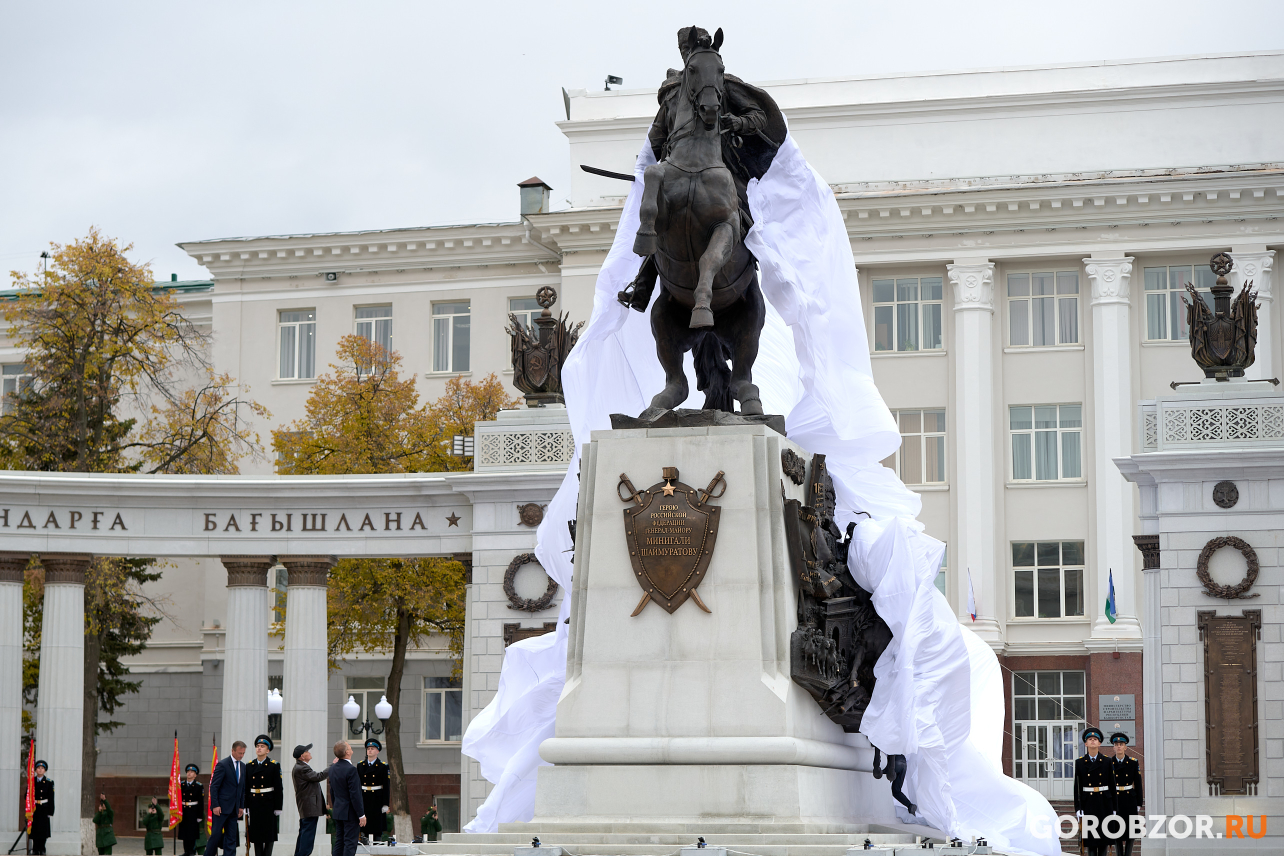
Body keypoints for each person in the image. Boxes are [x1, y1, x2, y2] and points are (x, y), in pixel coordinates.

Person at [1073, 727, 1117, 856]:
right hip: (1088, 804)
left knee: (1103, 841)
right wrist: (1078, 807)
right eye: (1090, 739)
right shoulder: (1080, 762)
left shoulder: (1107, 761)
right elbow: (1077, 787)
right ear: (1085, 744)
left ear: (1099, 743)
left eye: (1095, 739)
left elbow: (1112, 785)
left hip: (1104, 803)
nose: (1093, 741)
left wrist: (1114, 807)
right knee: (1091, 842)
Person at [205, 740, 248, 856]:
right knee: (216, 835)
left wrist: (241, 807)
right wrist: (215, 805)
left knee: (231, 836)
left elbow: (242, 788)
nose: (241, 755)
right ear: (232, 751)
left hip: (234, 809)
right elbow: (214, 786)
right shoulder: (223, 765)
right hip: (221, 808)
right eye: (240, 753)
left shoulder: (243, 767)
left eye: (243, 753)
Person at [246, 735, 283, 856]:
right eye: (257, 746)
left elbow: (278, 787)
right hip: (254, 803)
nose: (259, 748)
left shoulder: (273, 765)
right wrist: (245, 805)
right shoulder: (249, 766)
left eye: (262, 746)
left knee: (268, 834)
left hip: (268, 803)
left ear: (268, 750)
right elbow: (246, 788)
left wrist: (278, 807)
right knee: (256, 835)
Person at [326, 741, 365, 856]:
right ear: (347, 752)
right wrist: (361, 814)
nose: (351, 748)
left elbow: (332, 791)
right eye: (350, 747)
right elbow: (355, 794)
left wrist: (336, 806)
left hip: (338, 810)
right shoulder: (351, 769)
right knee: (350, 843)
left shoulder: (332, 768)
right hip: (350, 812)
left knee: (339, 841)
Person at [291, 744, 328, 856]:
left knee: (304, 833)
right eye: (307, 751)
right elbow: (318, 776)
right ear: (302, 756)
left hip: (307, 807)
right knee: (307, 836)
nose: (310, 753)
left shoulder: (300, 766)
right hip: (309, 807)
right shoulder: (302, 768)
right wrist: (333, 766)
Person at [1109, 732, 1142, 856]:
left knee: (1130, 832)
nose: (1118, 746)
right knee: (1117, 832)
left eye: (1121, 744)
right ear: (1113, 747)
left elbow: (1138, 784)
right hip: (1116, 800)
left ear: (1125, 747)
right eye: (1116, 744)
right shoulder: (1109, 762)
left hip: (1129, 800)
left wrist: (1139, 802)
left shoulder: (1133, 762)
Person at [355, 738, 389, 844]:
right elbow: (357, 784)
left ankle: (377, 841)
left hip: (377, 797)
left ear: (377, 751)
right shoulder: (360, 765)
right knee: (364, 824)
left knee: (376, 825)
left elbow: (386, 786)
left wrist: (385, 804)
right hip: (364, 797)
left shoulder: (383, 766)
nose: (370, 751)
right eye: (368, 749)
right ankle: (364, 839)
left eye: (372, 749)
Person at [180, 764, 207, 856]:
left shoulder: (198, 786)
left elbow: (201, 802)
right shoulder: (181, 785)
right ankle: (186, 851)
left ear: (195, 775)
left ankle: (192, 851)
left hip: (193, 811)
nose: (189, 773)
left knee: (192, 832)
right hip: (184, 811)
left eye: (191, 772)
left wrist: (199, 815)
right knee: (184, 832)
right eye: (188, 772)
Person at [29, 760, 53, 856]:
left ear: (45, 770)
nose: (40, 770)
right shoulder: (32, 781)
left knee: (43, 830)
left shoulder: (49, 782)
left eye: (42, 768)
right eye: (38, 768)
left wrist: (50, 811)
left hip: (44, 808)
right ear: (35, 770)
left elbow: (51, 798)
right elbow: (27, 795)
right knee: (35, 829)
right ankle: (35, 849)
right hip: (34, 809)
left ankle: (42, 849)